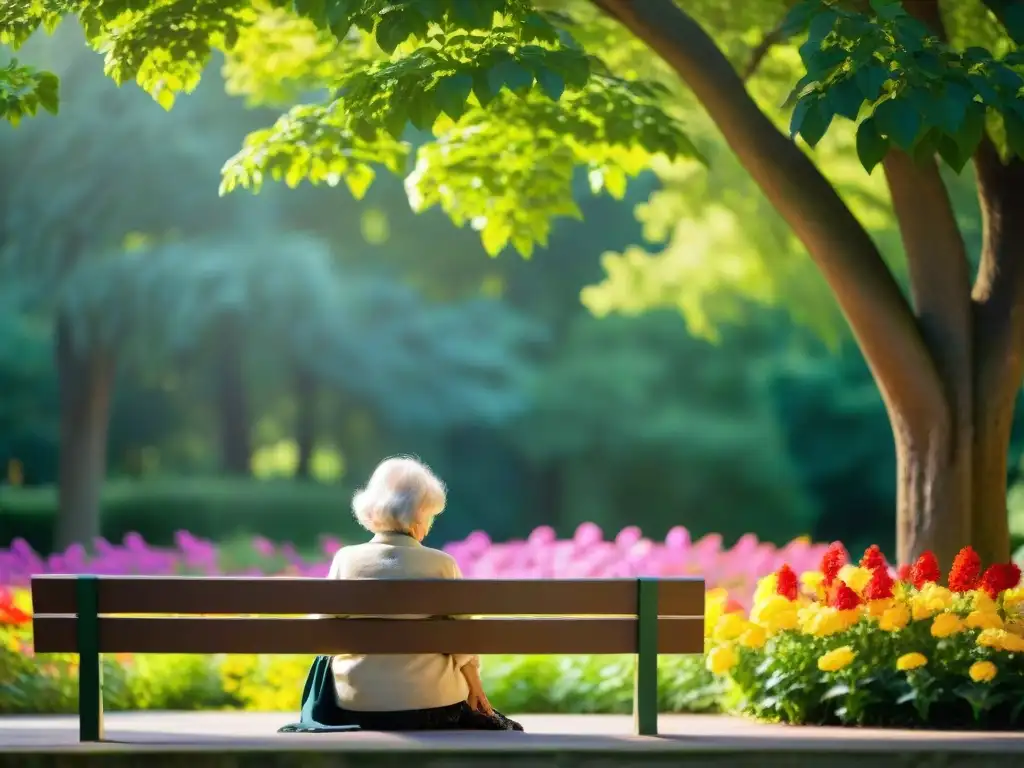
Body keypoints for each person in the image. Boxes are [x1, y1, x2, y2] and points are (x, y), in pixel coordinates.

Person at [323, 456, 523, 732]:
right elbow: (464, 638)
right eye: (430, 515)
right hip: (433, 707)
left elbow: (322, 632)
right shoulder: (441, 564)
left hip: (358, 706)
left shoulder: (346, 560)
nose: (429, 525)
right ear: (417, 515)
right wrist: (475, 688)